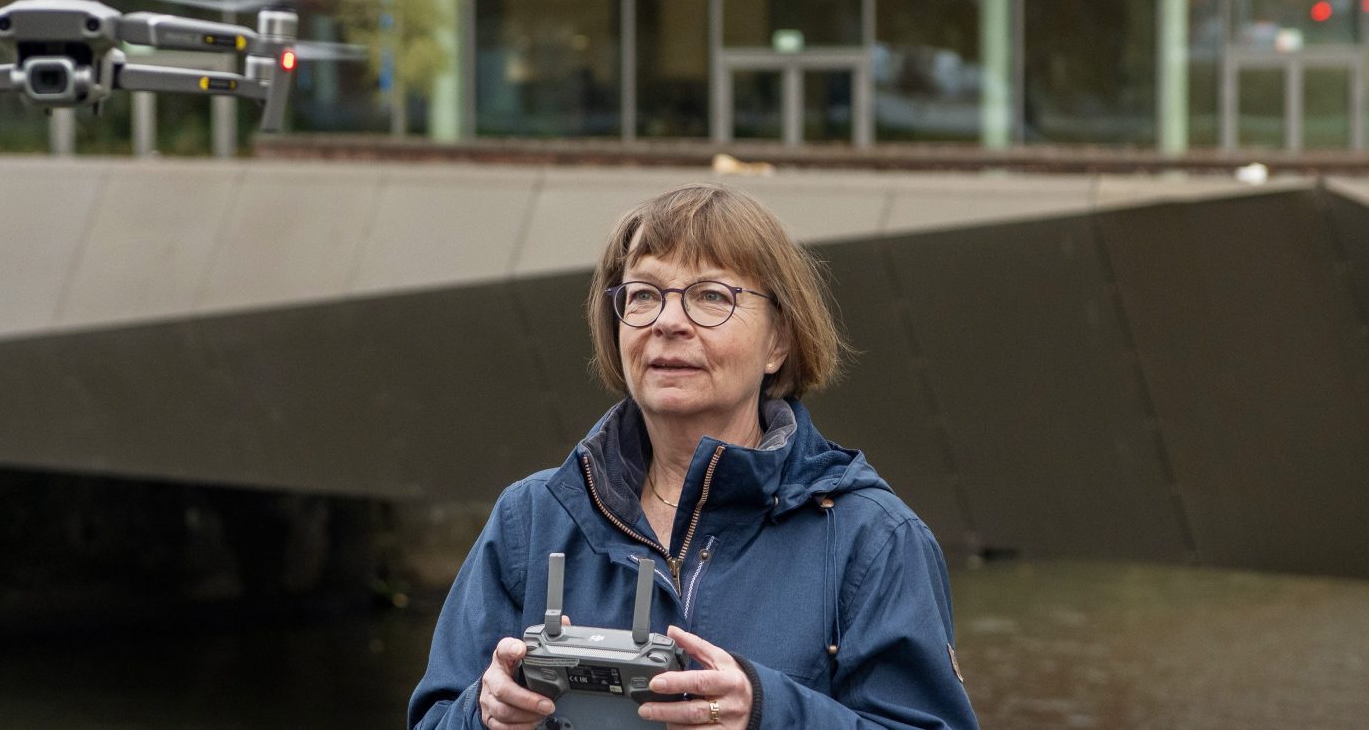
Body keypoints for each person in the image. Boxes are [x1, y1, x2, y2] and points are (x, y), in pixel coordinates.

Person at [407, 184, 978, 730]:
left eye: (711, 296)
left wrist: (766, 712)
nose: (667, 321)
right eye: (644, 295)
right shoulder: (530, 521)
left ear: (779, 340)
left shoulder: (871, 540)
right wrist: (484, 716)